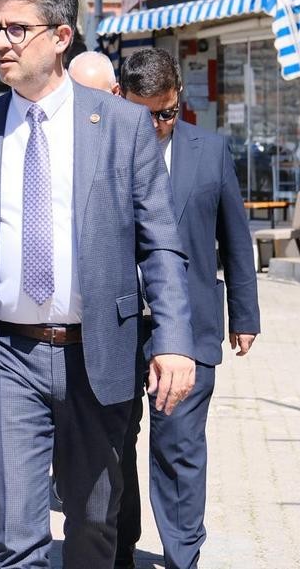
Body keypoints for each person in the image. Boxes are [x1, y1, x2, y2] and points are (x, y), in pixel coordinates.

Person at [0, 0, 196, 569]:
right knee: (16, 539)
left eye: (17, 29)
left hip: (96, 357)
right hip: (6, 358)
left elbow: (160, 245)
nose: (2, 42)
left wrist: (174, 340)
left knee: (95, 526)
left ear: (61, 37)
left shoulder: (122, 126)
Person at [115, 48, 260, 569]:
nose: (158, 124)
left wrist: (244, 314)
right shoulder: (100, 151)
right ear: (120, 99)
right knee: (113, 445)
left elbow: (235, 238)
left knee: (179, 447)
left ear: (179, 98)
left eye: (167, 112)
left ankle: (183, 557)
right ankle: (117, 548)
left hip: (192, 323)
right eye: (145, 114)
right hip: (116, 326)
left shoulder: (210, 151)